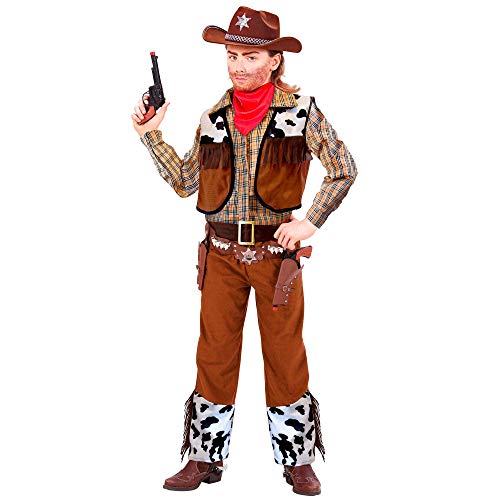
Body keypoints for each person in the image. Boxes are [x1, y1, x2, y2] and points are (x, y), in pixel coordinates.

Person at [131, 6, 357, 496]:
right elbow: (185, 181)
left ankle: (297, 459)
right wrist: (150, 135)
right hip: (219, 255)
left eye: (250, 56)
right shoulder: (212, 118)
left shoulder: (302, 112)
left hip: (276, 258)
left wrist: (309, 222)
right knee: (213, 352)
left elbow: (344, 168)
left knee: (285, 354)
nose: (238, 66)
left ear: (274, 60)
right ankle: (204, 457)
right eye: (232, 55)